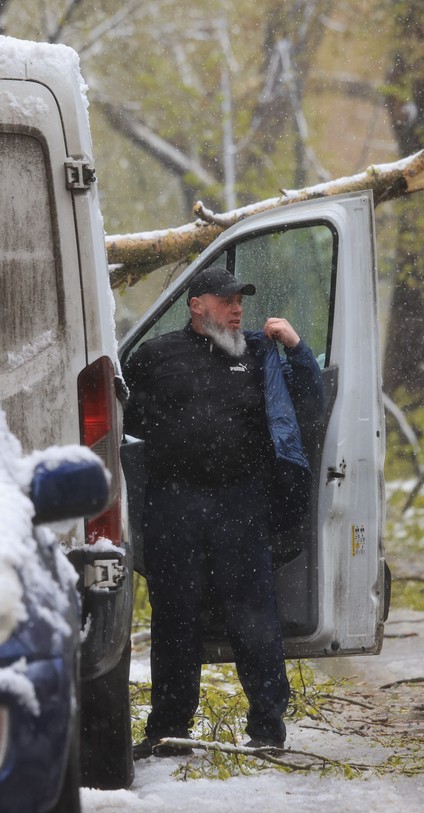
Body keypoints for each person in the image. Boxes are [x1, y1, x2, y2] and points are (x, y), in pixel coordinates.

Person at [123, 266, 325, 758]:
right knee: (175, 620)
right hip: (175, 505)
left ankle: (268, 730)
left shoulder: (259, 353)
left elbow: (309, 400)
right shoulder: (154, 356)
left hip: (241, 504)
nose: (238, 309)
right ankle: (168, 731)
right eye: (227, 300)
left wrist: (297, 349)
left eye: (241, 301)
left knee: (255, 618)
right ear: (197, 306)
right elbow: (122, 419)